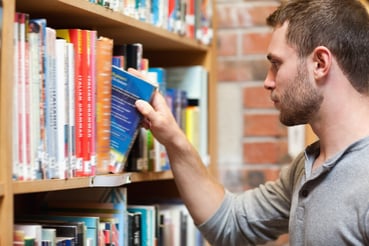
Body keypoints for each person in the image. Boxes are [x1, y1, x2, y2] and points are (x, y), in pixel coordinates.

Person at [132, 0, 369, 244]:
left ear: (320, 63)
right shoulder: (308, 167)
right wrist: (172, 137)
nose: (267, 81)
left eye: (276, 64)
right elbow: (230, 223)